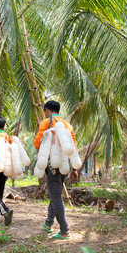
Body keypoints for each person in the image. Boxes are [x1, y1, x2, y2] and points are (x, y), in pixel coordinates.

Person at [34, 101, 78, 239]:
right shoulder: (68, 125)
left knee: (55, 196)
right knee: (56, 192)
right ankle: (48, 223)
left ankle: (64, 230)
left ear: (47, 110)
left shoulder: (46, 122)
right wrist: (74, 169)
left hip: (52, 163)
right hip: (65, 162)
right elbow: (73, 148)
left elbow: (37, 143)